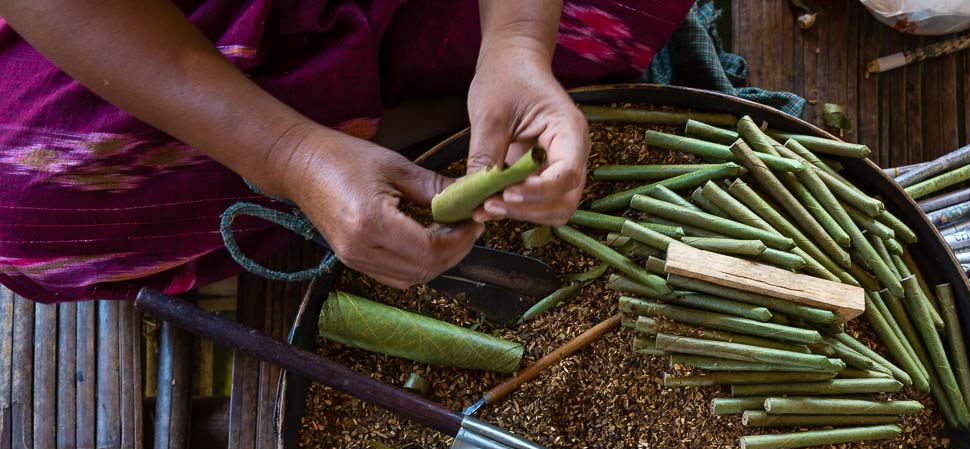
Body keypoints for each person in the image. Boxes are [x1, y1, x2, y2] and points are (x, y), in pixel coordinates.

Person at [0, 0, 693, 302]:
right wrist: (288, 154)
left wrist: (516, 39)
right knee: (23, 208)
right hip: (159, 25)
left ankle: (461, 95)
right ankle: (387, 120)